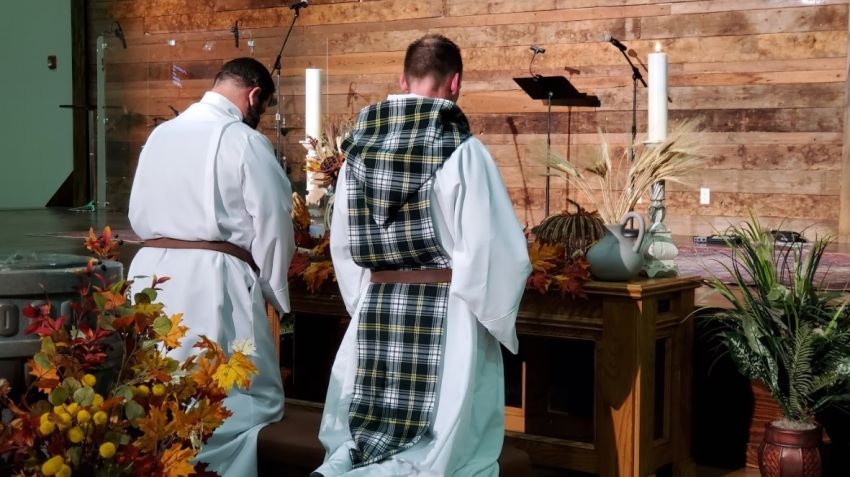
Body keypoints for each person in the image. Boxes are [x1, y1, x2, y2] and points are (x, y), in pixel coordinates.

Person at [313, 34, 532, 477]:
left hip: (377, 306)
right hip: (446, 311)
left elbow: (343, 243)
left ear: (402, 79)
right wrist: (490, 316)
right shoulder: (461, 149)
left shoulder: (357, 152)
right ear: (455, 84)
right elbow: (491, 248)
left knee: (370, 431)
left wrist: (364, 301)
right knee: (439, 453)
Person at [127, 57, 295, 477]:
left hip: (149, 278)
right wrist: (275, 292)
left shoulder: (160, 135)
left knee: (154, 395)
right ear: (254, 95)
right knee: (222, 402)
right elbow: (273, 225)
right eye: (263, 107)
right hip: (212, 282)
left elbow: (135, 211)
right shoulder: (243, 141)